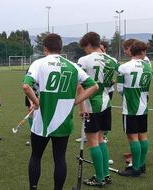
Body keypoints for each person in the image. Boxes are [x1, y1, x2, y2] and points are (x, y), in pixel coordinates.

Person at [23, 33, 98, 190]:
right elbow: (94, 86)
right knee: (59, 158)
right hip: (63, 120)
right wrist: (75, 102)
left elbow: (26, 86)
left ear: (45, 48)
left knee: (36, 156)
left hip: (42, 121)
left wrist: (36, 103)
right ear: (60, 47)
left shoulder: (39, 63)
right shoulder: (72, 66)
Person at [77, 32, 119, 187]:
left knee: (93, 141)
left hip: (91, 105)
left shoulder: (84, 60)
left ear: (88, 44)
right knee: (101, 140)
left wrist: (82, 107)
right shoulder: (112, 60)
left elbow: (79, 85)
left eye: (84, 47)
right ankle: (105, 175)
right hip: (106, 103)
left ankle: (99, 178)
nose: (85, 50)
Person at [117, 40, 153, 177]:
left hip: (130, 108)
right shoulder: (149, 67)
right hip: (143, 106)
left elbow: (120, 90)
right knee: (143, 135)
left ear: (131, 51)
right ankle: (142, 165)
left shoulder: (123, 67)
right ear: (143, 52)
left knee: (133, 137)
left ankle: (135, 168)